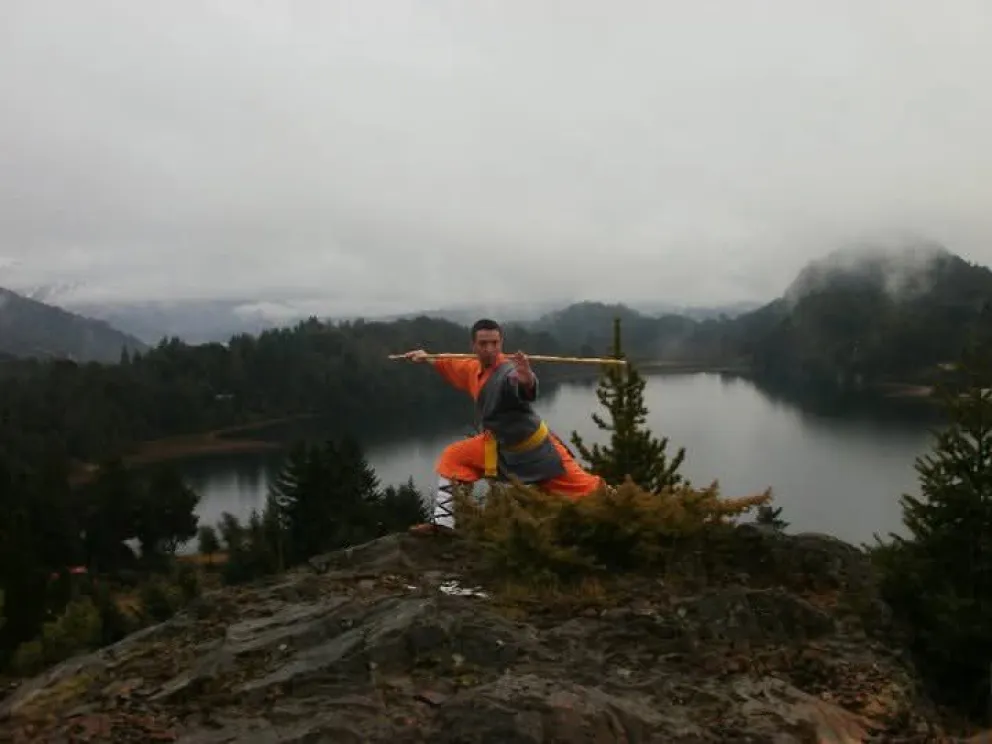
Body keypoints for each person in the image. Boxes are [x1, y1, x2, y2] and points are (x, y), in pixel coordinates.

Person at [401, 318, 605, 530]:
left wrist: (526, 378)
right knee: (454, 457)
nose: (490, 349)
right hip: (497, 446)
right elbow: (448, 363)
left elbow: (521, 387)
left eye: (495, 343)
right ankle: (443, 525)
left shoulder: (507, 373)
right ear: (473, 345)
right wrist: (425, 357)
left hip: (534, 450)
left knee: (586, 491)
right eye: (483, 344)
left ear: (501, 343)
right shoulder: (472, 369)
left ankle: (624, 501)